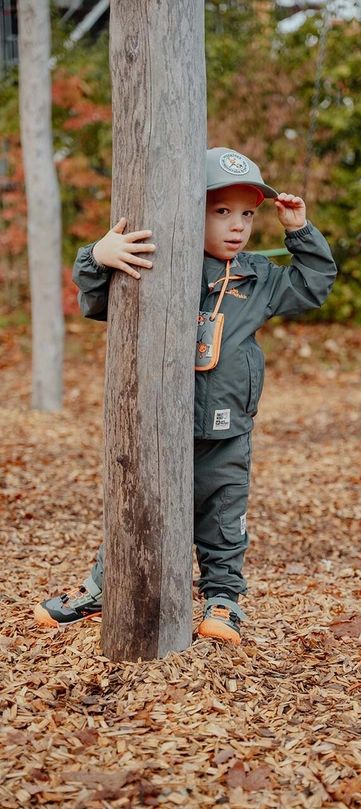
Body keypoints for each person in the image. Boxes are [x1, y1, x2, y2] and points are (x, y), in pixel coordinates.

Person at [34, 147, 337, 645]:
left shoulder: (258, 277)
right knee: (138, 506)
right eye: (221, 211)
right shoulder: (162, 265)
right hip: (157, 424)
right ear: (188, 208)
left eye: (247, 214)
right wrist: (97, 256)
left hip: (227, 429)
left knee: (224, 514)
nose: (237, 226)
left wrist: (299, 231)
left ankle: (223, 600)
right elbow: (99, 297)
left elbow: (313, 285)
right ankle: (106, 585)